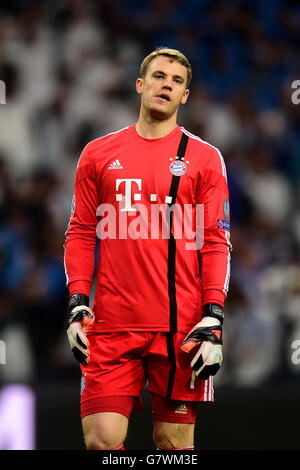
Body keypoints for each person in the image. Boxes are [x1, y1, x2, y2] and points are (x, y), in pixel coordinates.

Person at [64, 47, 231, 451]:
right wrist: (77, 301)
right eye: (158, 76)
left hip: (180, 327)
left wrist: (214, 316)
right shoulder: (98, 155)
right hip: (111, 325)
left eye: (176, 81)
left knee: (173, 443)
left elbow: (215, 241)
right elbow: (82, 231)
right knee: (102, 441)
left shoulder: (205, 159)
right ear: (140, 85)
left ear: (185, 96)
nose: (166, 85)